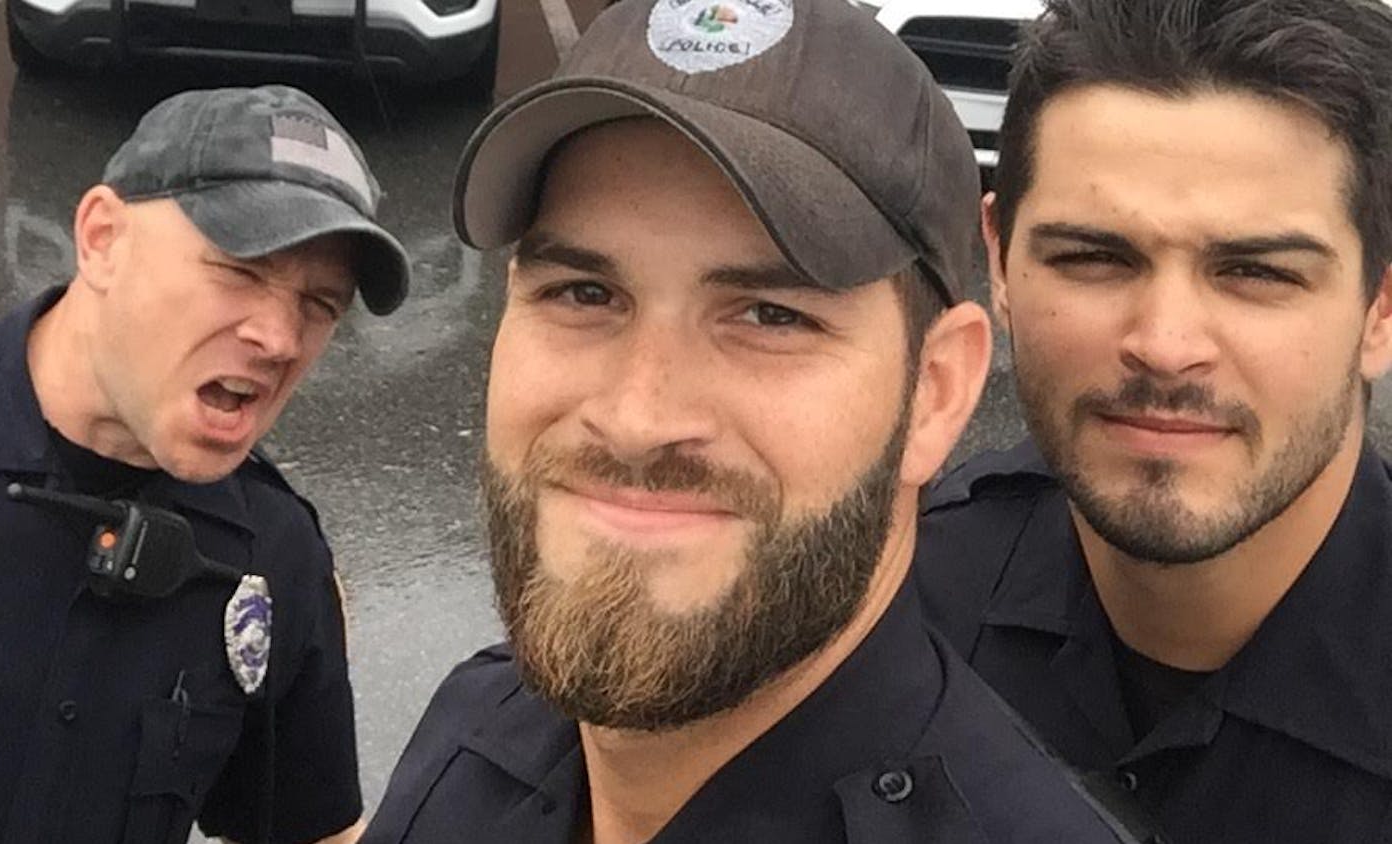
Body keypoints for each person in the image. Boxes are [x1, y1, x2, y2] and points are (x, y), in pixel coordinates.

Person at [363, 0, 1146, 841]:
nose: (637, 419)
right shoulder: (472, 729)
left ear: (936, 391)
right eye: (583, 294)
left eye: (772, 316)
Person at [912, 1, 1392, 841]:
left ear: (1380, 306)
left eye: (1257, 272)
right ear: (999, 262)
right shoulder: (891, 612)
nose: (1165, 347)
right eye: (1094, 257)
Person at [0, 84, 409, 844]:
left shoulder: (272, 556)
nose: (280, 338)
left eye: (320, 304)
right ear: (102, 239)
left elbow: (310, 831)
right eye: (240, 270)